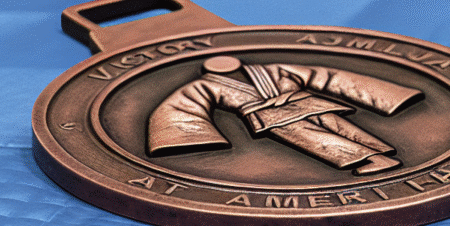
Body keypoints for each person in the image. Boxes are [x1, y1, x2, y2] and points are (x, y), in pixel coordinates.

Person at [148, 56, 423, 174]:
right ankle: (379, 155)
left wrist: (186, 133)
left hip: (273, 115)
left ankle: (376, 160)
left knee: (317, 138)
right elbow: (328, 77)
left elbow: (180, 106)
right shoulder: (273, 68)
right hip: (296, 106)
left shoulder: (204, 84)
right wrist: (383, 94)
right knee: (334, 127)